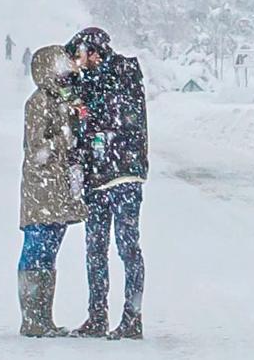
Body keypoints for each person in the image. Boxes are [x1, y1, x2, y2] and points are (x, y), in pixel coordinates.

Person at [66, 27, 148, 341]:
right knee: (95, 250)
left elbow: (116, 118)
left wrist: (86, 109)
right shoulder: (89, 81)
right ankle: (97, 316)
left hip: (123, 175)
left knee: (127, 248)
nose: (77, 62)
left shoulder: (123, 73)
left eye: (79, 55)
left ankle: (132, 318)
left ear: (94, 52)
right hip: (97, 177)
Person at [18, 46, 88, 338]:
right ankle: (33, 318)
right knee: (37, 252)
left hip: (56, 192)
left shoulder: (61, 101)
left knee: (48, 254)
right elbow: (37, 147)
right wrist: (67, 137)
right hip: (42, 191)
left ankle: (43, 317)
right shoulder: (39, 102)